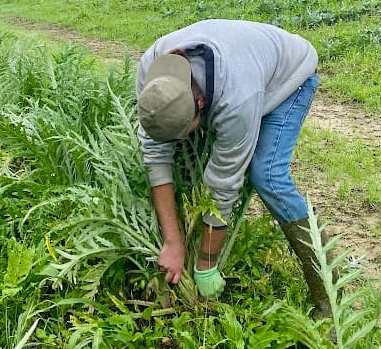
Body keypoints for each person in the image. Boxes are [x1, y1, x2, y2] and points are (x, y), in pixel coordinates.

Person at [136, 18, 335, 315]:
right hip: (246, 64)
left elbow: (223, 186)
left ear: (200, 103)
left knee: (266, 175)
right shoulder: (151, 72)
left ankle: (328, 292)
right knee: (188, 161)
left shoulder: (237, 100)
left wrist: (205, 266)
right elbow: (155, 154)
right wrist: (173, 241)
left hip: (289, 77)